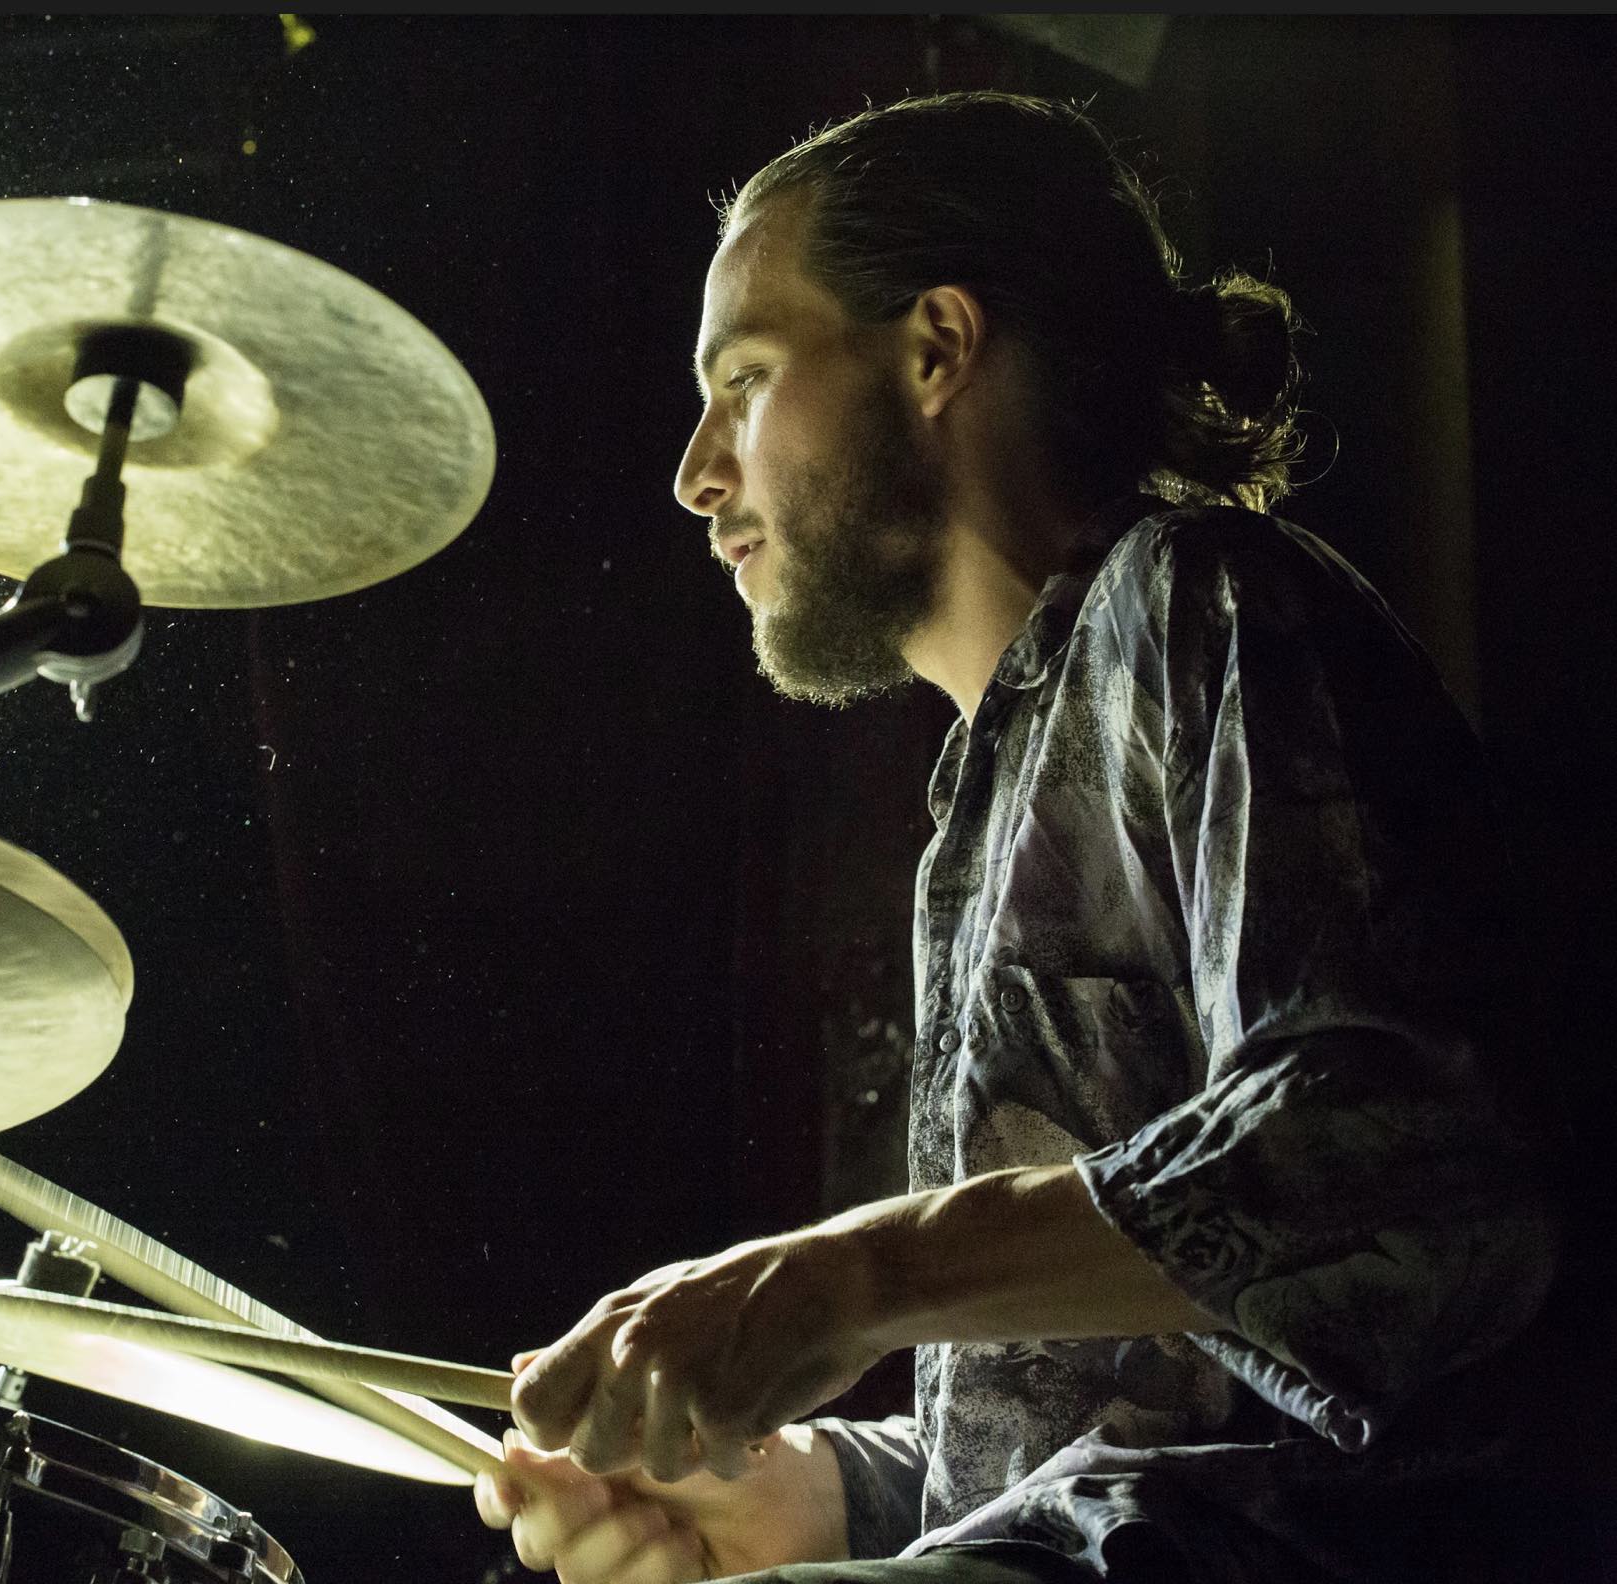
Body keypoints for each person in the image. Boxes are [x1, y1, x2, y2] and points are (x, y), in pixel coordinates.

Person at [474, 92, 1584, 1583]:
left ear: (936, 347)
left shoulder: (1204, 599)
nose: (696, 472)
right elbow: (1086, 1428)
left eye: (742, 379)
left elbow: (1392, 1161)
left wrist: (849, 1276)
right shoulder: (976, 815)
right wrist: (822, 1495)